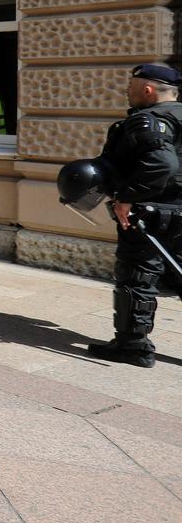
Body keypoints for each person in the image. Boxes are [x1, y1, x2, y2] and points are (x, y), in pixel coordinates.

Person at [83, 64, 182, 368]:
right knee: (177, 273)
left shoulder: (148, 121)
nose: (127, 90)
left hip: (152, 213)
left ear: (148, 90)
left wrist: (127, 197)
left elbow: (163, 164)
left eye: (131, 84)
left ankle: (132, 346)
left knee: (136, 276)